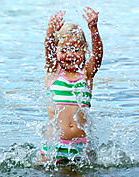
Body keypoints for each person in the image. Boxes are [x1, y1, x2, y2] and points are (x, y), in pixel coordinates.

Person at [41, 7, 103, 163]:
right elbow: (48, 48)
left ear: (84, 50)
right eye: (64, 50)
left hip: (81, 147)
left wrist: (93, 28)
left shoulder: (86, 75)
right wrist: (50, 30)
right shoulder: (53, 71)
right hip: (54, 146)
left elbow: (98, 56)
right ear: (56, 51)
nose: (69, 55)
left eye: (75, 50)